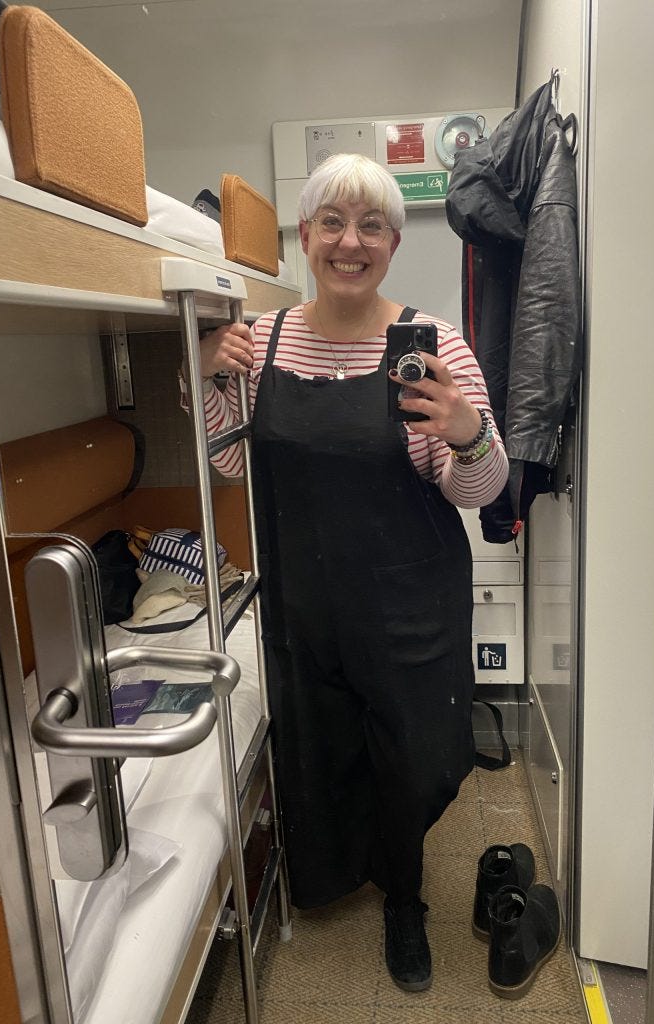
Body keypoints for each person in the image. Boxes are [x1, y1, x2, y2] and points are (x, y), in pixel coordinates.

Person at [181, 153, 509, 992]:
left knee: (417, 757)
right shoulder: (267, 338)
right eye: (332, 222)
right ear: (307, 237)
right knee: (325, 747)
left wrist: (469, 429)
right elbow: (224, 462)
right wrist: (208, 375)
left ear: (394, 243)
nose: (349, 242)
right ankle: (346, 875)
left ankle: (406, 899)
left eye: (370, 226)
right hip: (306, 600)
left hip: (411, 601)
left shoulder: (436, 347)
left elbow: (480, 489)